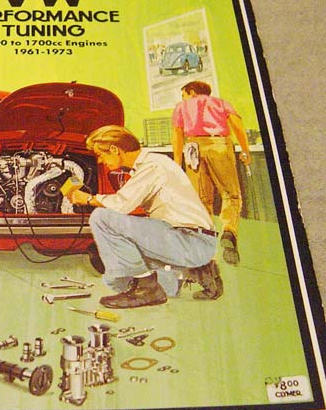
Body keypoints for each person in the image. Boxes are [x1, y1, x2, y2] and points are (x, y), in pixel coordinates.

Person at [67, 125, 222, 309]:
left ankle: (147, 288)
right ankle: (198, 271)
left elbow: (121, 204)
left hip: (190, 240)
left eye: (100, 155)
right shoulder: (150, 163)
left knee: (101, 218)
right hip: (189, 240)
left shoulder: (153, 165)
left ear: (115, 149)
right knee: (125, 283)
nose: (100, 161)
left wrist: (88, 199)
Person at [171, 81, 251, 265]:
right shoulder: (221, 103)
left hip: (193, 148)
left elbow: (177, 133)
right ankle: (229, 230)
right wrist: (245, 150)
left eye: (184, 94)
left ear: (192, 92)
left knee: (202, 198)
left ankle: (205, 243)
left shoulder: (181, 107)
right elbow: (237, 124)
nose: (183, 98)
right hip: (219, 145)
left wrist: (177, 162)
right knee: (230, 193)